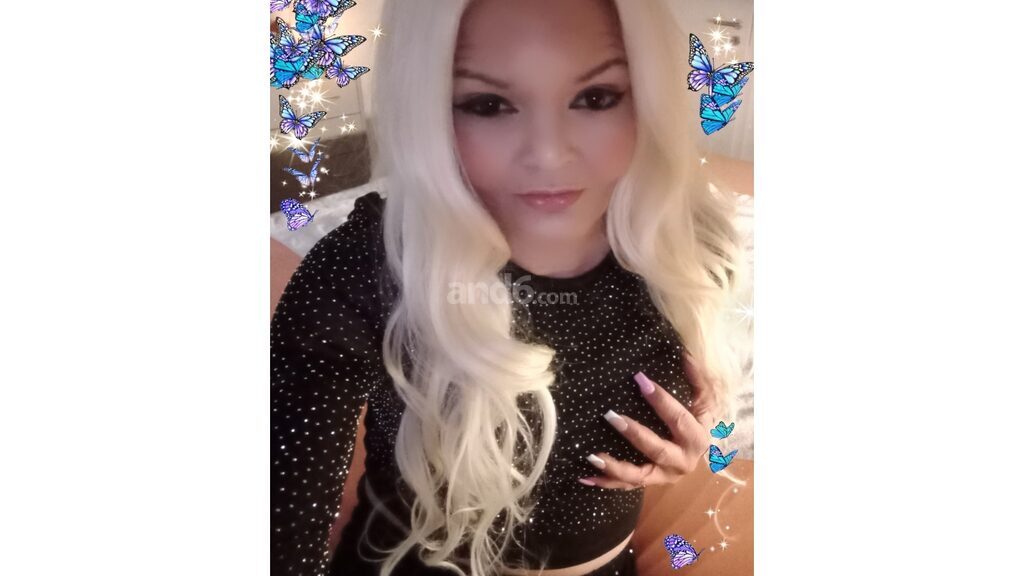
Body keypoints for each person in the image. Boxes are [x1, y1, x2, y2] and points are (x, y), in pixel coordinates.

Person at [271, 0, 748, 574]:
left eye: (596, 97)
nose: (548, 153)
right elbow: (281, 529)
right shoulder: (367, 268)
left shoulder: (684, 242)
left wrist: (691, 444)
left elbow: (705, 407)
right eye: (488, 104)